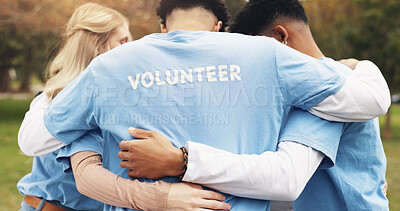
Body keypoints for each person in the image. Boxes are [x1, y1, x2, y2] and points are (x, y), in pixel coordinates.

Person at [30, 0, 388, 210]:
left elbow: (41, 146)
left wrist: (177, 165)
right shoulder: (269, 62)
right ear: (218, 25)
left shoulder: (109, 69)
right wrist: (362, 68)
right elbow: (372, 100)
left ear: (163, 22)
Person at [17, 2, 230, 211]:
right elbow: (31, 142)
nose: (130, 48)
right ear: (98, 46)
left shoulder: (113, 94)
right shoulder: (61, 99)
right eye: (124, 40)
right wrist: (162, 197)